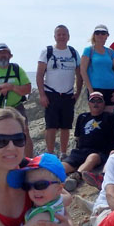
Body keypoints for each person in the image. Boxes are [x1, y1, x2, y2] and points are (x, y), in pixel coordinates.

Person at [37, 25, 83, 159]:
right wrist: (42, 95)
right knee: (51, 126)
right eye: (59, 34)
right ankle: (50, 154)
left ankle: (63, 153)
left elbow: (79, 75)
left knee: (65, 126)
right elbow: (39, 74)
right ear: (55, 36)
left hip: (68, 94)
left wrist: (78, 93)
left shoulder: (73, 52)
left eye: (64, 34)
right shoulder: (47, 51)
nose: (62, 37)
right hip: (51, 93)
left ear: (68, 37)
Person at [0, 43, 34, 157]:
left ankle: (28, 161)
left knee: (24, 132)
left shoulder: (17, 69)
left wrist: (12, 87)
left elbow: (27, 89)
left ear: (10, 56)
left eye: (5, 53)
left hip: (16, 107)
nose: (3, 56)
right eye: (0, 54)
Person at [62, 92, 114, 192]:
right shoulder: (82, 117)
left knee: (93, 158)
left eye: (99, 101)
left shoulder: (110, 117)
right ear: (89, 103)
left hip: (100, 152)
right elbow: (78, 137)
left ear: (103, 104)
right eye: (93, 101)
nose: (96, 103)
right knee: (64, 165)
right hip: (81, 151)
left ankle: (75, 177)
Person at [80, 24, 114, 108]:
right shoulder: (89, 50)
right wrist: (90, 90)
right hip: (95, 89)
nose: (100, 35)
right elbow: (83, 70)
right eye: (97, 33)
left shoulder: (110, 52)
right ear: (94, 35)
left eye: (103, 33)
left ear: (107, 35)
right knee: (96, 114)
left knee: (109, 115)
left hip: (111, 89)